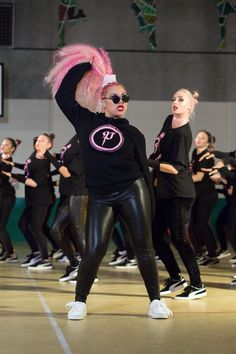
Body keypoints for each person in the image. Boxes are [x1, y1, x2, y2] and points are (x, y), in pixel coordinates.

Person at [46, 43, 172, 320]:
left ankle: (155, 301)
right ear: (102, 100)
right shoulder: (86, 122)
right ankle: (79, 301)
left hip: (132, 189)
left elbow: (144, 170)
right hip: (101, 195)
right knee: (94, 249)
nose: (121, 102)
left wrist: (150, 207)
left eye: (125, 97)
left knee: (143, 246)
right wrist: (87, 65)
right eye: (114, 97)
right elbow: (64, 95)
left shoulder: (135, 134)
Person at [149, 89, 207, 300]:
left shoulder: (183, 133)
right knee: (155, 235)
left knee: (180, 238)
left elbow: (175, 167)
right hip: (164, 191)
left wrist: (146, 162)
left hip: (180, 192)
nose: (175, 102)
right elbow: (160, 151)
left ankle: (198, 284)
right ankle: (175, 278)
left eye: (181, 100)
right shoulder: (168, 120)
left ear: (190, 106)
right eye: (173, 98)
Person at [4, 134, 55, 270]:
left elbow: (34, 183)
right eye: (37, 140)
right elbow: (27, 168)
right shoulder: (34, 156)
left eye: (42, 141)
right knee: (23, 224)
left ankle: (45, 260)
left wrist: (12, 174)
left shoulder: (44, 162)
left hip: (41, 200)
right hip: (32, 200)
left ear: (49, 146)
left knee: (36, 228)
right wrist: (12, 164)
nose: (38, 142)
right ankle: (37, 252)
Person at [44, 134, 88, 282]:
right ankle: (75, 264)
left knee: (79, 231)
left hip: (80, 193)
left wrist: (48, 156)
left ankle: (89, 271)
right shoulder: (75, 137)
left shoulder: (85, 141)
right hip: (70, 194)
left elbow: (68, 172)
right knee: (55, 230)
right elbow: (65, 160)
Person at [189, 130, 219, 266]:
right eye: (198, 136)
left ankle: (213, 254)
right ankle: (200, 252)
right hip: (197, 194)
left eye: (203, 138)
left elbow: (199, 177)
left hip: (207, 195)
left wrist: (182, 180)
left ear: (208, 142)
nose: (199, 139)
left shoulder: (207, 157)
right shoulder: (195, 153)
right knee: (191, 226)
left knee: (201, 225)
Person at [0, 137, 21, 262]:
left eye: (6, 144)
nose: (3, 145)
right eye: (2, 143)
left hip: (6, 196)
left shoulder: (8, 161)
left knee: (1, 227)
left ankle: (11, 253)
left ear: (12, 149)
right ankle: (6, 250)